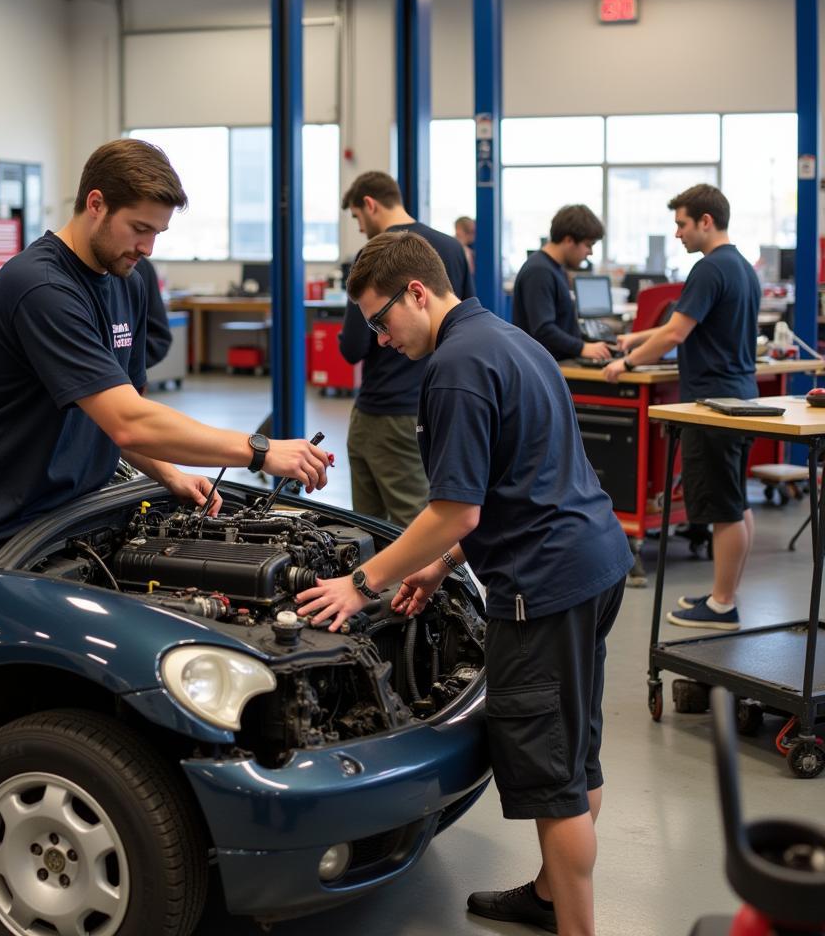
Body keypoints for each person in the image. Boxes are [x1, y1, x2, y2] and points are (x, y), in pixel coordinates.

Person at [0, 139, 331, 719]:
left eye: (157, 233)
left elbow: (121, 405)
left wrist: (170, 474)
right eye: (139, 228)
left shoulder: (127, 278)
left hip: (66, 520)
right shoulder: (41, 287)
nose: (148, 247)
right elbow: (128, 423)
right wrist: (258, 451)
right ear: (96, 204)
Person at [296, 230, 631, 936]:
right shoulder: (509, 340)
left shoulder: (453, 368)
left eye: (381, 321)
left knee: (554, 782)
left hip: (544, 587)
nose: (381, 340)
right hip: (595, 566)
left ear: (417, 292)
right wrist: (443, 562)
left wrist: (363, 582)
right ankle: (547, 897)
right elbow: (521, 476)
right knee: (576, 749)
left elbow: (456, 508)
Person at [603, 184, 759, 631]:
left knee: (723, 505)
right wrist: (635, 338)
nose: (678, 234)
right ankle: (722, 593)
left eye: (682, 224)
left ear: (705, 221)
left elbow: (674, 335)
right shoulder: (741, 266)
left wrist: (626, 362)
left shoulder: (709, 269)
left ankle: (723, 603)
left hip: (712, 404)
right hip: (740, 395)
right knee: (736, 501)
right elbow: (682, 324)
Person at [338, 171, 474, 526]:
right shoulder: (450, 249)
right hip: (433, 402)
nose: (360, 227)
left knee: (379, 531)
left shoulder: (373, 256)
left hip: (384, 411)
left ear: (369, 204)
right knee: (419, 515)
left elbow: (352, 347)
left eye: (356, 217)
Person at [512, 204, 611, 362]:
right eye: (588, 245)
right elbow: (543, 329)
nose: (590, 253)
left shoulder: (555, 269)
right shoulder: (539, 271)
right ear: (569, 240)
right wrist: (582, 348)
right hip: (544, 367)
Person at [134, 253, 172, 378]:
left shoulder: (140, 266)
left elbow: (159, 335)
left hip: (128, 383)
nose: (147, 250)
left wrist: (129, 365)